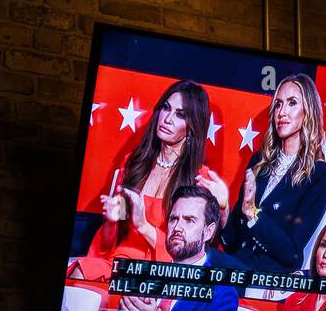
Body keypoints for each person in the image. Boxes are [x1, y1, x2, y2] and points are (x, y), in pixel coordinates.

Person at [74, 80, 229, 281]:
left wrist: (143, 225)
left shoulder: (200, 179)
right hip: (120, 261)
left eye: (180, 114)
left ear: (192, 128)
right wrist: (112, 222)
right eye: (166, 108)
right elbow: (108, 240)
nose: (167, 119)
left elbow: (192, 255)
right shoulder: (133, 163)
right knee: (82, 272)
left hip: (163, 272)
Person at [220, 74, 326, 275]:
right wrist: (222, 208)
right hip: (235, 265)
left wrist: (253, 213)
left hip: (269, 275)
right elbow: (232, 243)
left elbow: (291, 254)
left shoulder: (319, 174)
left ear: (308, 112)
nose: (282, 112)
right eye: (279, 104)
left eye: (292, 103)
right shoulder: (259, 162)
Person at [120, 185, 240, 311]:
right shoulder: (145, 278)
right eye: (174, 219)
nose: (177, 228)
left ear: (208, 231)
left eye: (189, 220)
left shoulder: (222, 293)